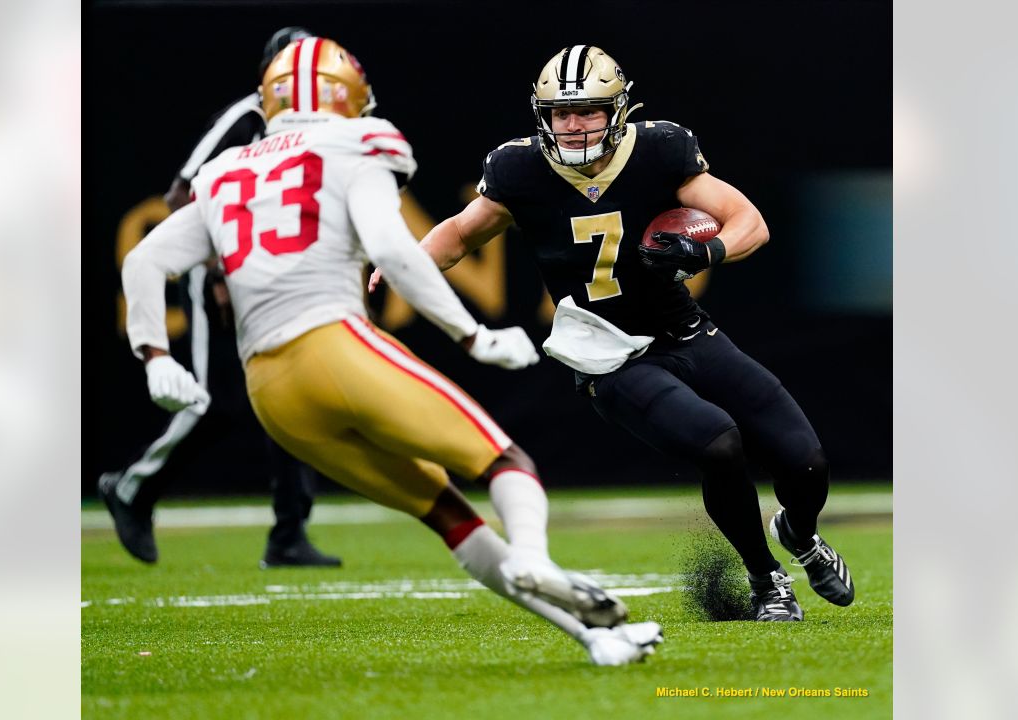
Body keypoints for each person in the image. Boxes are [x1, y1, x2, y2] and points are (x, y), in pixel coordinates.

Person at [120, 36, 664, 665]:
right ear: (345, 93)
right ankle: (536, 560)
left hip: (269, 391)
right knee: (504, 462)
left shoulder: (222, 171)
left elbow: (143, 261)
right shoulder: (357, 141)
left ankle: (594, 638)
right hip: (333, 345)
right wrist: (471, 335)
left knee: (449, 517)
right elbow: (393, 247)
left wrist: (155, 356)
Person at [371, 45, 855, 621]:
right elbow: (458, 235)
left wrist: (709, 250)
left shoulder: (659, 149)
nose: (572, 126)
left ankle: (798, 534)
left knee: (806, 461)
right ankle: (765, 578)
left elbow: (750, 220)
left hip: (684, 331)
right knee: (718, 442)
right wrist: (403, 267)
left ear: (619, 110)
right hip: (607, 354)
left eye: (588, 111)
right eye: (559, 113)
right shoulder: (519, 169)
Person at [99, 26, 342, 568]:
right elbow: (184, 190)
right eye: (291, 71)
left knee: (290, 397)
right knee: (218, 400)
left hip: (274, 276)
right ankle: (133, 487)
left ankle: (288, 532)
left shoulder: (324, 127)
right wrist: (218, 268)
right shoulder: (248, 118)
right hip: (219, 273)